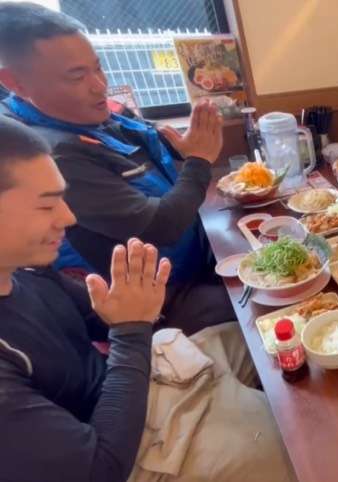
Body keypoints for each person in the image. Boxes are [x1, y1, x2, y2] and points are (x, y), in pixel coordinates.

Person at [0, 116, 293, 482]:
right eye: (46, 206)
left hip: (137, 383)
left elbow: (101, 321)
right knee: (300, 438)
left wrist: (133, 308)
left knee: (269, 333)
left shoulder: (26, 269)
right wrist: (130, 329)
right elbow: (101, 469)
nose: (68, 216)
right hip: (122, 450)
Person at [0, 2, 232, 334]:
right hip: (157, 303)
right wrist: (199, 161)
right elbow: (160, 226)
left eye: (98, 67)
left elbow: (150, 145)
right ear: (15, 83)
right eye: (77, 76)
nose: (99, 85)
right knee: (257, 306)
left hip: (193, 256)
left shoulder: (95, 111)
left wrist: (181, 148)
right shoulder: (50, 155)